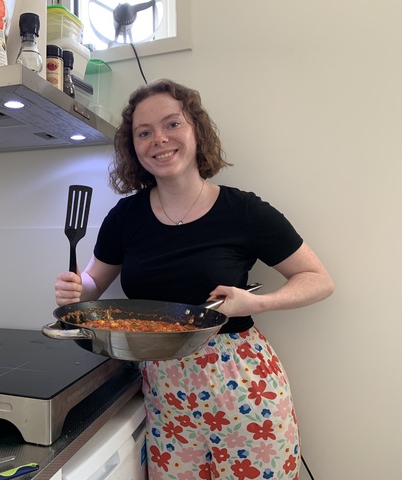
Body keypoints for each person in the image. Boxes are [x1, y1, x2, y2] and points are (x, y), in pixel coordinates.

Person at [54, 79, 334, 479]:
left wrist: (256, 302)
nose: (159, 139)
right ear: (133, 147)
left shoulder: (244, 211)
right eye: (144, 132)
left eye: (172, 124)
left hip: (245, 394)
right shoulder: (124, 217)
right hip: (165, 396)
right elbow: (94, 283)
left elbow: (318, 279)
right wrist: (77, 287)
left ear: (196, 131)